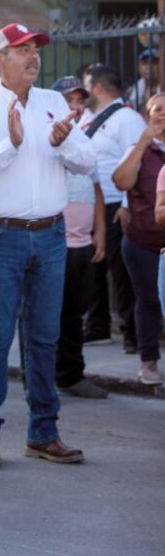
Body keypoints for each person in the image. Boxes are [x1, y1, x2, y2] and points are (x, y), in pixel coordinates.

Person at [0, 23, 95, 468]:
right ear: (0, 58)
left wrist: (65, 140)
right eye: (22, 50)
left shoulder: (55, 102)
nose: (33, 56)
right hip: (0, 234)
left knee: (44, 339)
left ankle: (43, 433)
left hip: (51, 234)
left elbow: (88, 162)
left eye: (35, 49)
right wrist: (11, 144)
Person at [50, 77, 109, 398]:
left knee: (74, 313)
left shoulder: (85, 140)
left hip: (82, 245)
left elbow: (96, 189)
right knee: (45, 316)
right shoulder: (45, 138)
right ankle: (41, 379)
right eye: (68, 101)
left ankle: (71, 375)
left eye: (80, 101)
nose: (76, 107)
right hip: (53, 243)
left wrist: (99, 234)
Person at [79, 65, 144, 353]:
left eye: (85, 86)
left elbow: (138, 163)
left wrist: (128, 205)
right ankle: (97, 326)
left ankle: (134, 333)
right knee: (94, 267)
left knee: (122, 271)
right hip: (93, 204)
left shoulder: (127, 119)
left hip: (117, 204)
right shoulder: (87, 117)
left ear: (97, 88)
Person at [112, 93, 165, 386]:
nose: (162, 115)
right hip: (143, 242)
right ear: (147, 116)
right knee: (148, 300)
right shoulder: (139, 149)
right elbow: (121, 181)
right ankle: (149, 361)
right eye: (157, 110)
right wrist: (143, 143)